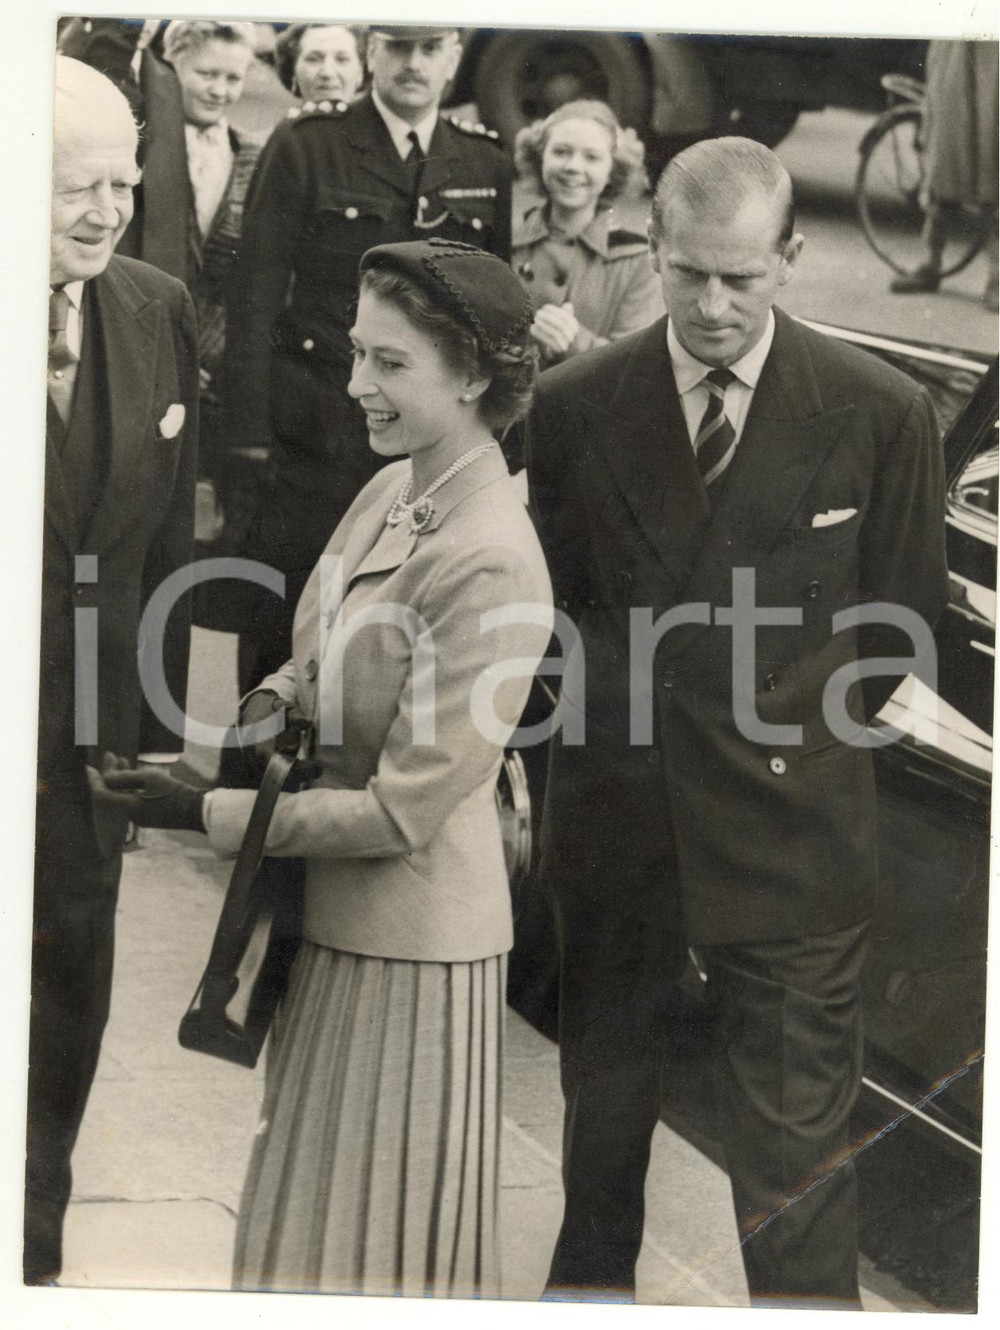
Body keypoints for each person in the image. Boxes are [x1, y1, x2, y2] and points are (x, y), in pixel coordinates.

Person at [526, 137, 948, 1308]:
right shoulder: (573, 406)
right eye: (688, 274)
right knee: (601, 1153)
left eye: (742, 279)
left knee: (797, 1183)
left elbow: (898, 628)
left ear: (791, 259)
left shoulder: (877, 410)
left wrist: (786, 737)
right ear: (649, 254)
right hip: (620, 832)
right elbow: (556, 617)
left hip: (792, 845)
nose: (712, 307)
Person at [90, 239, 553, 1296]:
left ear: (473, 374)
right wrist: (247, 724)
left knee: (357, 1254)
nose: (355, 385)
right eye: (355, 354)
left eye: (390, 364)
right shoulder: (392, 490)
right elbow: (312, 659)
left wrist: (203, 808)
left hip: (412, 955)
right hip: (338, 929)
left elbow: (404, 810)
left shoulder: (493, 554)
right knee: (309, 1230)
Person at [26, 56, 199, 1285]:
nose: (105, 210)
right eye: (71, 187)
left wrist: (151, 733)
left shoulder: (151, 305)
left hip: (88, 750)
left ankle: (28, 1241)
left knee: (63, 999)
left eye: (124, 184)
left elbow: (167, 542)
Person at [224, 23, 513, 695]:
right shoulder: (309, 146)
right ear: (372, 52)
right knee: (286, 636)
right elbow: (254, 302)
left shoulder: (483, 163)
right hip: (316, 440)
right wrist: (247, 440)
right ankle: (248, 797)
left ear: (454, 58)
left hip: (430, 452)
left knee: (400, 651)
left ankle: (353, 796)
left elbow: (493, 321)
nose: (414, 63)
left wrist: (497, 446)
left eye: (429, 47)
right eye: (398, 46)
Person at [159, 20, 262, 529]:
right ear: (172, 65)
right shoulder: (143, 149)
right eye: (206, 73)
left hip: (218, 374)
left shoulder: (253, 157)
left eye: (233, 77)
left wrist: (213, 356)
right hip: (149, 358)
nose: (220, 90)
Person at [513, 100, 664, 364]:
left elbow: (637, 365)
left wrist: (576, 342)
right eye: (560, 152)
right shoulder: (507, 240)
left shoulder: (639, 260)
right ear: (539, 158)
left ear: (613, 170)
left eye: (592, 157)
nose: (573, 166)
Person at [890, 40, 998, 311]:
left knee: (991, 156)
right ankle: (931, 263)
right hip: (955, 46)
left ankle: (998, 277)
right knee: (945, 155)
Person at [273, 21, 367, 107]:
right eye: (313, 59)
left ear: (360, 72)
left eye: (342, 59)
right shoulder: (285, 125)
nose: (327, 73)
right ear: (293, 71)